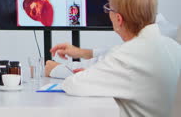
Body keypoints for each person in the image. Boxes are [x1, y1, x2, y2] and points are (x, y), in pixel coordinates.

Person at [60, 0, 181, 117]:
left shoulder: (126, 56)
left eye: (108, 9)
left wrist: (90, 75)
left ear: (118, 19)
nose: (107, 13)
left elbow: (73, 84)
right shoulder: (175, 48)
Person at [45, 13, 180, 78]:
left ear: (119, 18)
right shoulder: (167, 38)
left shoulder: (136, 54)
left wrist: (56, 69)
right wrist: (83, 52)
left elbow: (92, 78)